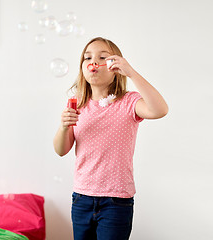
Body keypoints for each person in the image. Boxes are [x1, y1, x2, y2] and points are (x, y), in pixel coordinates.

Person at [53, 37, 168, 240]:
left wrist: (131, 72)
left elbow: (159, 109)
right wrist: (63, 127)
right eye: (87, 57)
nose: (93, 61)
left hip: (116, 201)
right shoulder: (77, 104)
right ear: (83, 67)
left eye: (102, 57)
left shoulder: (128, 101)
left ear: (115, 66)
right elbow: (61, 150)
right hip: (81, 198)